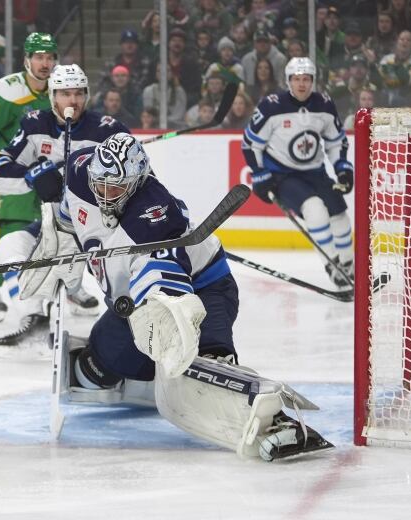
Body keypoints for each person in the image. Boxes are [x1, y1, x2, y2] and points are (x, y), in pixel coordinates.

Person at [36, 132, 333, 461]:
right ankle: (150, 374)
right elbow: (70, 213)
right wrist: (57, 228)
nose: (104, 195)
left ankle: (277, 424)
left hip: (206, 290)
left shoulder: (154, 216)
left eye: (115, 188)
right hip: (129, 302)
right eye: (99, 184)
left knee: (204, 366)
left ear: (137, 182)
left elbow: (166, 279)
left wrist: (167, 316)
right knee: (93, 372)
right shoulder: (81, 172)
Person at [0, 64, 128, 347]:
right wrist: (31, 176)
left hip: (99, 227)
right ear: (53, 97)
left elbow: (137, 176)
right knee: (10, 246)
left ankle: (127, 326)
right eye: (65, 93)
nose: (72, 101)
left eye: (78, 93)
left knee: (116, 279)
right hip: (56, 222)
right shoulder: (34, 124)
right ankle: (35, 318)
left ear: (87, 96)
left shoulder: (106, 130)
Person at [0, 32, 58, 322]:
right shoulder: (7, 91)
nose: (45, 63)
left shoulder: (59, 88)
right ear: (26, 60)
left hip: (48, 175)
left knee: (50, 231)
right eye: (39, 57)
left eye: (50, 57)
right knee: (14, 232)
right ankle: (26, 310)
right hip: (12, 176)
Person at [242, 57, 355, 287]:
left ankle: (350, 269)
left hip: (316, 172)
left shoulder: (324, 104)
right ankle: (334, 268)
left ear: (313, 81)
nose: (301, 84)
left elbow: (336, 142)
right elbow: (250, 144)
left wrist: (342, 168)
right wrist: (260, 173)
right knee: (315, 211)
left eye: (306, 79)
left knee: (340, 217)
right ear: (288, 81)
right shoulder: (271, 106)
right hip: (284, 175)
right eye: (296, 79)